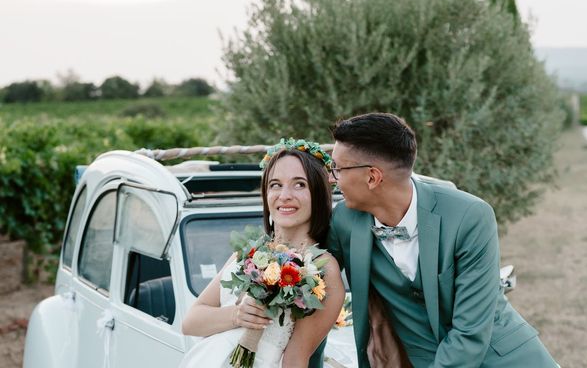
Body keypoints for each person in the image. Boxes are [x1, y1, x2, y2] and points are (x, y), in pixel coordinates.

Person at [327, 113, 558, 368]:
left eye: (337, 168)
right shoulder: (345, 221)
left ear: (372, 177)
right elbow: (311, 276)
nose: (331, 178)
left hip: (501, 361)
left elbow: (470, 334)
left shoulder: (470, 217)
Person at [181, 140, 345, 368]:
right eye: (275, 185)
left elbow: (296, 359)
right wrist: (236, 315)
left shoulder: (323, 268)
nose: (284, 195)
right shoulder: (249, 252)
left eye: (299, 185)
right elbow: (191, 322)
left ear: (318, 194)